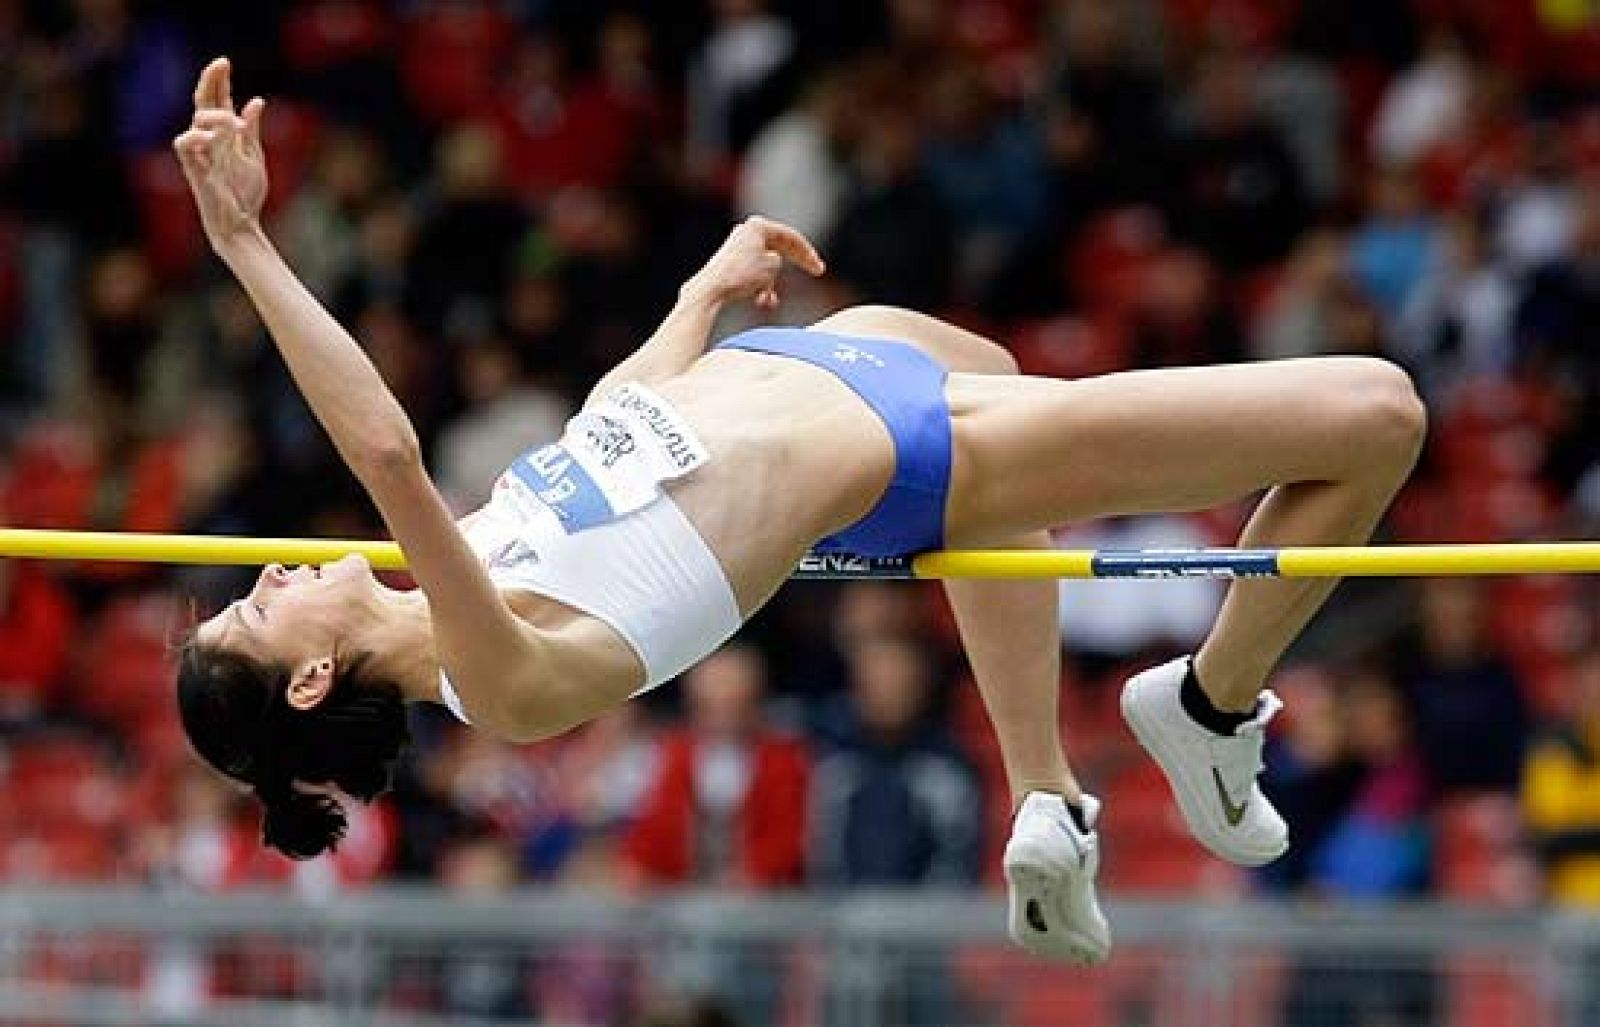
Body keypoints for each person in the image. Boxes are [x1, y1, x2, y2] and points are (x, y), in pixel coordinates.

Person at [171, 58, 1427, 965]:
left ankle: (1047, 797)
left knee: (1004, 398)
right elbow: (387, 450)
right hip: (914, 450)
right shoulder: (492, 673)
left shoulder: (481, 560)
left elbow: (611, 434)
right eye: (259, 611)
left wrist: (695, 297)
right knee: (1377, 414)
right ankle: (1206, 705)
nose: (271, 578)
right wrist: (245, 245)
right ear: (309, 681)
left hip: (844, 357)